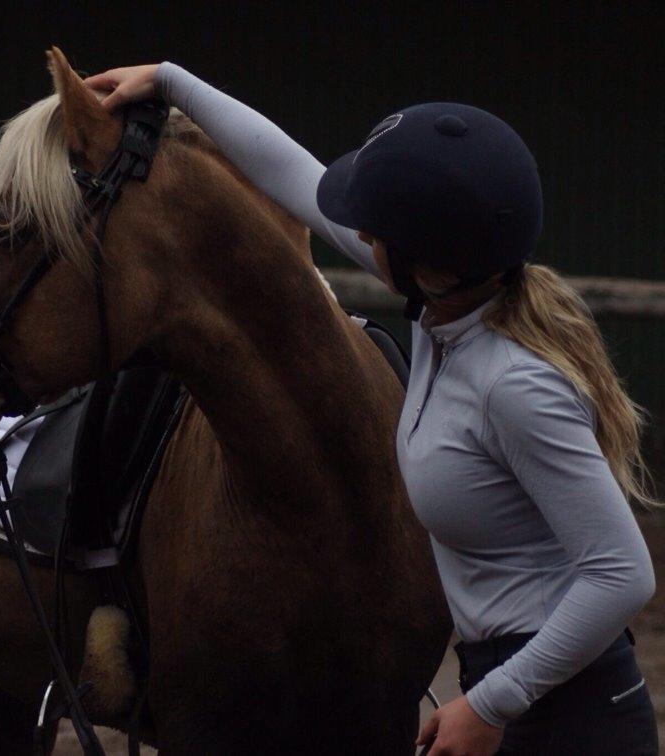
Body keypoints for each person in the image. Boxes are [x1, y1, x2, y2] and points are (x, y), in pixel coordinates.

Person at [84, 63, 659, 755]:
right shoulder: (445, 309)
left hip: (565, 713)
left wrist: (491, 704)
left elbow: (623, 572)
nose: (357, 230)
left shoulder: (514, 384)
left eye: (376, 228)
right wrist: (174, 83)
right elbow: (291, 175)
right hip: (514, 686)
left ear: (421, 257)